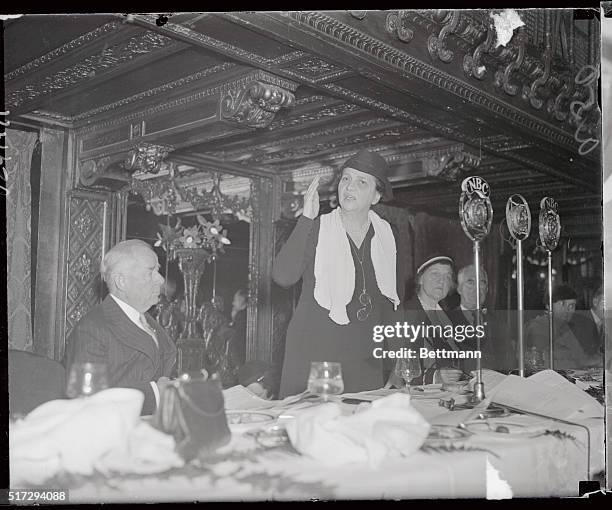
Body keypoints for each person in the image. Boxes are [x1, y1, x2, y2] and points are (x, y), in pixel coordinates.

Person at [273, 149, 402, 398]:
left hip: (363, 357)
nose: (349, 187)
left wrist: (398, 357)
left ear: (376, 196)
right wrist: (307, 219)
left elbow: (390, 304)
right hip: (315, 353)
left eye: (361, 182)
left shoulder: (387, 235)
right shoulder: (318, 227)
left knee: (358, 429)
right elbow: (283, 276)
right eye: (346, 178)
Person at [63, 239, 177, 415]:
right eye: (150, 272)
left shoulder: (148, 322)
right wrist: (155, 394)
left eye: (158, 271)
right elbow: (86, 398)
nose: (160, 280)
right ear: (121, 282)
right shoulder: (92, 328)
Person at [400, 255, 464, 385]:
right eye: (435, 274)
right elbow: (397, 368)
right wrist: (435, 377)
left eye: (447, 276)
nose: (442, 281)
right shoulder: (406, 314)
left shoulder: (448, 318)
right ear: (420, 279)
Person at [447, 265, 515, 373]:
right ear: (459, 288)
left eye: (482, 282)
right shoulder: (445, 321)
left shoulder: (499, 324)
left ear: (487, 289)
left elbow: (510, 365)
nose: (476, 288)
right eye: (470, 282)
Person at [525, 284, 601, 370]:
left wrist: (602, 360)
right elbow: (543, 363)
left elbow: (581, 358)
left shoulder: (565, 327)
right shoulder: (537, 327)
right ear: (548, 305)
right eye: (562, 304)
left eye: (572, 306)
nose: (567, 310)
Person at [570, 284, 604, 357]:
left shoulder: (605, 324)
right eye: (605, 303)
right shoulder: (578, 321)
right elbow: (578, 357)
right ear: (595, 302)